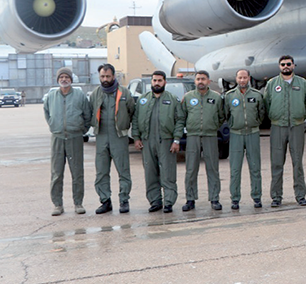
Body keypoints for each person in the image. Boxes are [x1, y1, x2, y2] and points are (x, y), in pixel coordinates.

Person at [132, 71, 184, 214]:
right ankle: (155, 201)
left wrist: (176, 140)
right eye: (154, 80)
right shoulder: (143, 100)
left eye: (160, 80)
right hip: (147, 141)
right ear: (151, 82)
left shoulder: (172, 99)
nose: (157, 83)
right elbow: (135, 120)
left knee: (168, 172)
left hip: (166, 141)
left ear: (165, 82)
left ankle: (168, 202)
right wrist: (136, 138)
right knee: (150, 172)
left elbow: (179, 121)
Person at [264, 55, 306, 208]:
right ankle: (276, 197)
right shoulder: (272, 84)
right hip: (278, 127)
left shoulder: (302, 83)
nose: (286, 66)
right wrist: (274, 117)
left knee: (297, 162)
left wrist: (300, 116)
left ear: (293, 66)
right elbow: (266, 103)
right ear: (280, 66)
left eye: (288, 64)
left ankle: (300, 195)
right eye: (283, 64)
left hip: (296, 127)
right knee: (277, 163)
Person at [43, 67, 92, 216]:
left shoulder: (79, 96)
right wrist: (53, 126)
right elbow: (47, 113)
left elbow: (87, 115)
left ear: (71, 79)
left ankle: (78, 203)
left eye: (67, 77)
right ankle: (57, 204)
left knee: (77, 172)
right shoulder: (51, 97)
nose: (64, 79)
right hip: (57, 138)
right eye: (61, 77)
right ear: (58, 80)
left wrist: (81, 129)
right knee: (56, 173)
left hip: (74, 138)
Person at [90, 63, 135, 214]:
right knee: (101, 171)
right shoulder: (95, 94)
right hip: (101, 136)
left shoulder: (124, 93)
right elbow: (90, 112)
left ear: (114, 76)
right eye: (102, 76)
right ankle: (105, 201)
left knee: (123, 171)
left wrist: (133, 135)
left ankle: (124, 200)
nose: (105, 79)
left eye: (108, 76)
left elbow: (132, 112)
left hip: (119, 136)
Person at [181, 70, 225, 211]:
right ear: (195, 81)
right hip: (192, 136)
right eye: (198, 79)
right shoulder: (188, 97)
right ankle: (190, 199)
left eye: (203, 79)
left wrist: (211, 126)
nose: (201, 81)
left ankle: (214, 198)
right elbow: (182, 116)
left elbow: (221, 116)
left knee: (212, 168)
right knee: (191, 168)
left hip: (210, 136)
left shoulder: (216, 97)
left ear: (208, 81)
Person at [224, 69, 265, 210]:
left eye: (245, 77)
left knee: (255, 167)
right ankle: (235, 198)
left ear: (249, 78)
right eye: (240, 77)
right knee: (235, 169)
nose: (242, 80)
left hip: (252, 133)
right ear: (236, 79)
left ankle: (257, 197)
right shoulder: (229, 96)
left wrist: (254, 124)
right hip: (236, 134)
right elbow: (226, 114)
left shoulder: (257, 95)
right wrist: (235, 125)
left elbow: (261, 113)